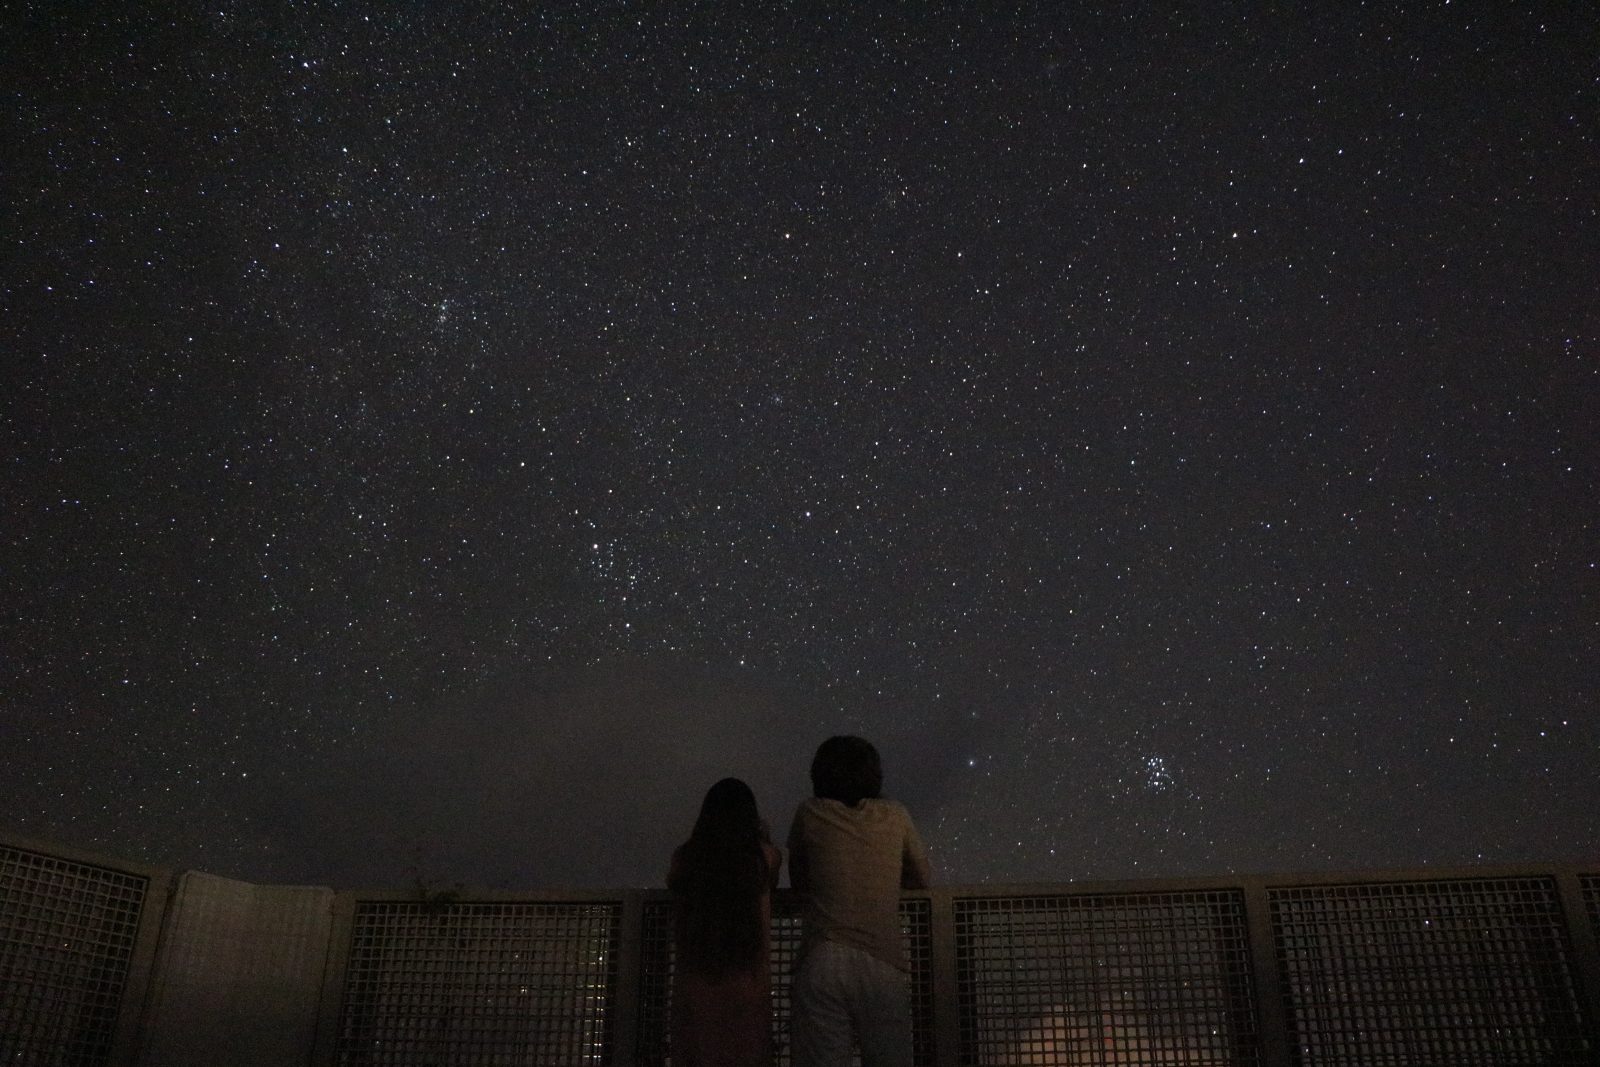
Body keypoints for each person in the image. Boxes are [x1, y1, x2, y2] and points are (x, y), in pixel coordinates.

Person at [787, 736, 931, 1067]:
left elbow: (799, 881)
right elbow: (922, 877)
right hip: (882, 960)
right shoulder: (896, 815)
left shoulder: (809, 812)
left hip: (824, 955)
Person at [668, 777, 784, 1067]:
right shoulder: (764, 858)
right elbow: (773, 874)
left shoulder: (685, 859)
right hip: (747, 983)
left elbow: (674, 880)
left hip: (695, 982)